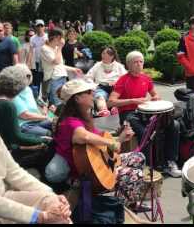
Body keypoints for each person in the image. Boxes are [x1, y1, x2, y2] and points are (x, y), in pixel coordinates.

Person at [43, 79, 148, 209]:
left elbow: (99, 143)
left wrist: (120, 139)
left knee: (139, 157)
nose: (93, 94)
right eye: (89, 92)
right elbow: (84, 136)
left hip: (96, 163)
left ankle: (128, 203)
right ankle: (119, 210)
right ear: (77, 98)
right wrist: (111, 143)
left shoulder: (84, 118)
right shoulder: (69, 122)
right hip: (84, 174)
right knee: (134, 174)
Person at [0, 86, 71, 224]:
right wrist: (39, 216)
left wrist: (52, 195)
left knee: (57, 207)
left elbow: (13, 171)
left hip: (4, 197)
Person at [108, 51, 182, 178]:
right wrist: (132, 100)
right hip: (128, 114)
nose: (138, 64)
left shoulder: (146, 78)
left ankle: (171, 162)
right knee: (145, 131)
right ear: (128, 65)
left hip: (145, 113)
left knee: (174, 125)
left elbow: (155, 95)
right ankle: (147, 165)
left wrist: (155, 98)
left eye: (141, 62)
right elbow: (110, 102)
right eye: (135, 62)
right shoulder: (123, 80)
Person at [40, 28, 83, 107]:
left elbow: (59, 65)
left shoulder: (56, 48)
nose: (62, 40)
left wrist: (73, 69)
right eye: (61, 37)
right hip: (54, 79)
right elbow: (56, 61)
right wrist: (60, 47)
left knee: (62, 103)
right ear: (55, 37)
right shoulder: (44, 48)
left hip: (62, 77)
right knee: (57, 104)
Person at [9, 64, 54, 137]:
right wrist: (46, 117)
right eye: (27, 76)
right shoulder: (13, 93)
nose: (29, 77)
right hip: (25, 124)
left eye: (29, 75)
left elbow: (37, 102)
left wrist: (44, 107)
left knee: (59, 125)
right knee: (49, 133)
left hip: (37, 120)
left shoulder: (27, 89)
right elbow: (25, 115)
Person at [85, 46, 127, 117]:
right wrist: (93, 85)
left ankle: (116, 109)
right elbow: (88, 77)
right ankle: (103, 111)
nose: (104, 56)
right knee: (99, 97)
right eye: (103, 53)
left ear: (112, 56)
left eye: (107, 54)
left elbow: (126, 78)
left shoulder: (119, 66)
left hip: (115, 87)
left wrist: (117, 83)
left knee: (118, 96)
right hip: (101, 87)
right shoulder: (97, 65)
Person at [27, 19, 48, 99]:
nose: (40, 27)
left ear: (44, 27)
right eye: (38, 26)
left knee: (46, 83)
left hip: (46, 63)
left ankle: (44, 99)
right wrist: (28, 64)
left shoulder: (47, 37)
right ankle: (36, 100)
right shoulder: (32, 38)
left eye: (41, 26)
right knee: (36, 83)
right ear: (35, 27)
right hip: (37, 63)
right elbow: (31, 51)